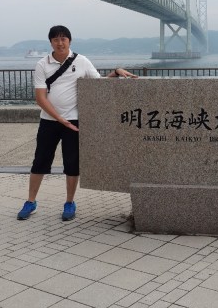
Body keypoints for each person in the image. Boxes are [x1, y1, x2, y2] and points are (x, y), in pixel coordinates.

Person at [17, 25, 137, 223]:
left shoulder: (81, 61)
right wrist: (60, 118)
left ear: (70, 41)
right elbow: (40, 98)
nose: (60, 42)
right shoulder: (42, 64)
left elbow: (97, 85)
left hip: (73, 121)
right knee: (40, 162)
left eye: (64, 38)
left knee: (72, 164)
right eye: (56, 39)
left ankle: (69, 203)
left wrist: (116, 72)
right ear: (51, 42)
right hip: (49, 121)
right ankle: (30, 202)